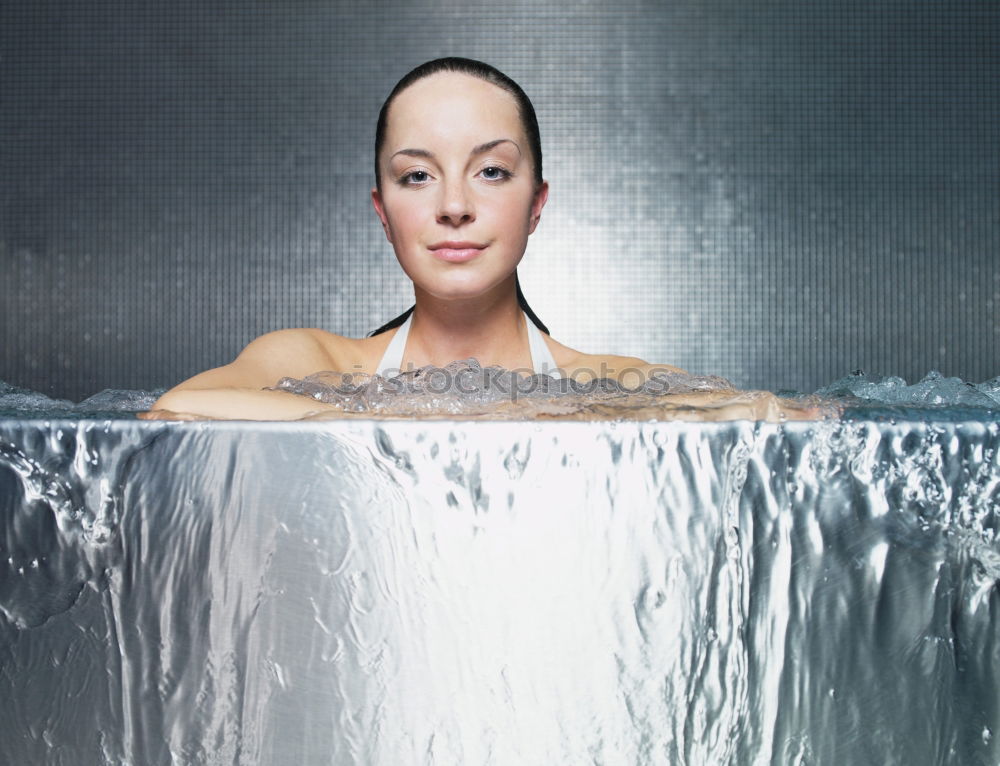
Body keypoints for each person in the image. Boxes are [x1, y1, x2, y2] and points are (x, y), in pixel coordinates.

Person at [144, 58, 800, 421]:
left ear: (536, 203)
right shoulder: (318, 364)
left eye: (491, 171)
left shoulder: (596, 382)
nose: (454, 206)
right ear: (382, 210)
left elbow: (771, 416)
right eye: (417, 176)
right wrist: (394, 411)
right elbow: (177, 408)